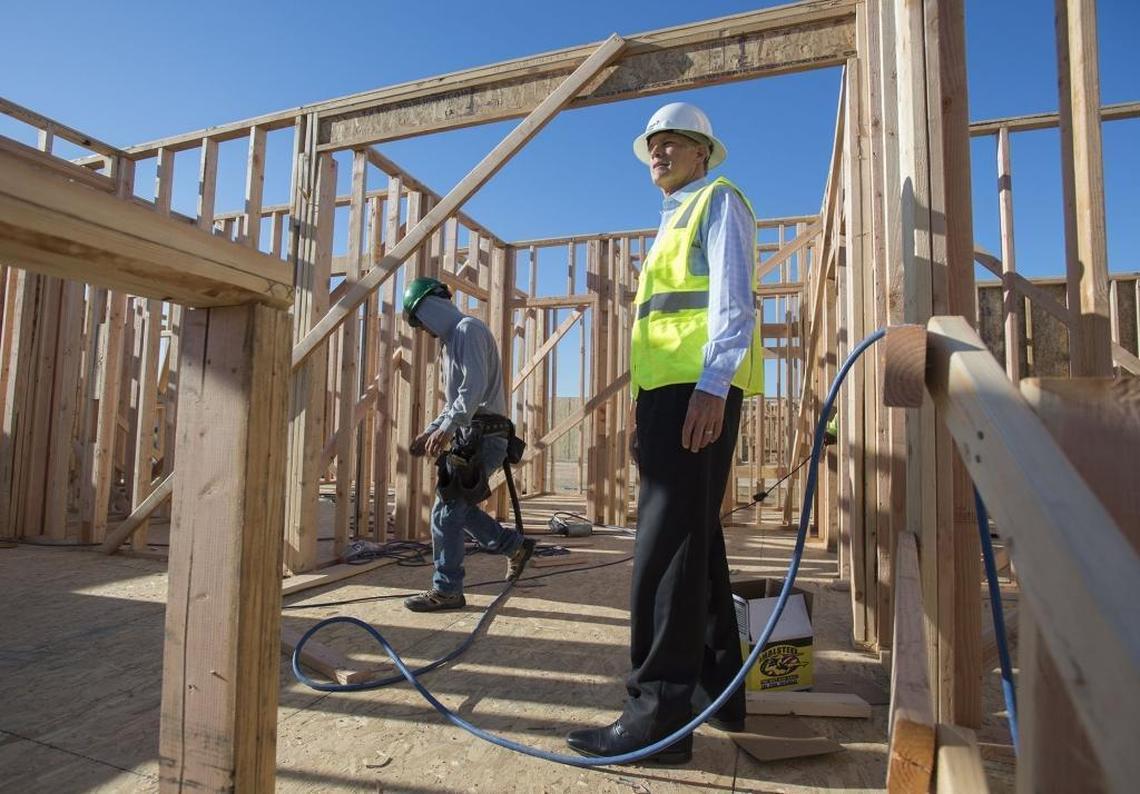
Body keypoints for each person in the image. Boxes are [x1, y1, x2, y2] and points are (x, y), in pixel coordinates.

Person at [566, 102, 764, 764]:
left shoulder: (718, 202)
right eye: (653, 145)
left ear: (702, 151)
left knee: (663, 553)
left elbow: (733, 301)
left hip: (696, 393)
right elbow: (658, 328)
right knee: (694, 542)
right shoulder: (674, 219)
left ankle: (655, 717)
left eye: (672, 143)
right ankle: (717, 692)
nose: (658, 153)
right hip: (668, 397)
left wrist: (711, 385)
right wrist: (642, 406)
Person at [400, 276, 536, 612]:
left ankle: (447, 590)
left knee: (446, 512)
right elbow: (456, 400)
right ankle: (513, 546)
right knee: (456, 509)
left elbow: (472, 388)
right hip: (472, 434)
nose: (424, 331)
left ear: (429, 308)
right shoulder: (451, 342)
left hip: (484, 436)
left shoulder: (467, 330)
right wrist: (434, 428)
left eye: (421, 322)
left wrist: (447, 427)